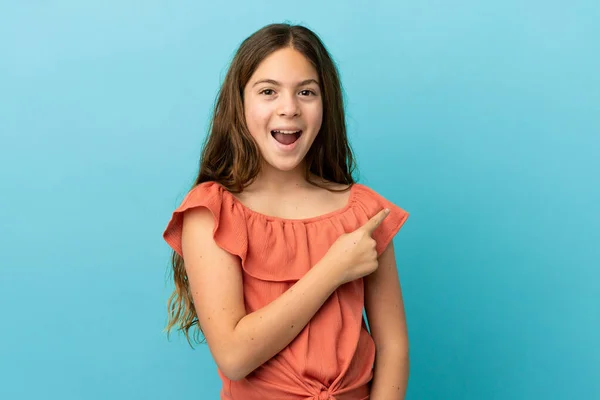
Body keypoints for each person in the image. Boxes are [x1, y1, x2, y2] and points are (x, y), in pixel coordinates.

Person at [162, 23, 410, 400]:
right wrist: (333, 269)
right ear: (239, 103)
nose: (289, 108)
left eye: (306, 92)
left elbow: (393, 347)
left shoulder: (363, 211)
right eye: (268, 91)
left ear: (326, 104)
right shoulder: (212, 211)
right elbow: (234, 356)